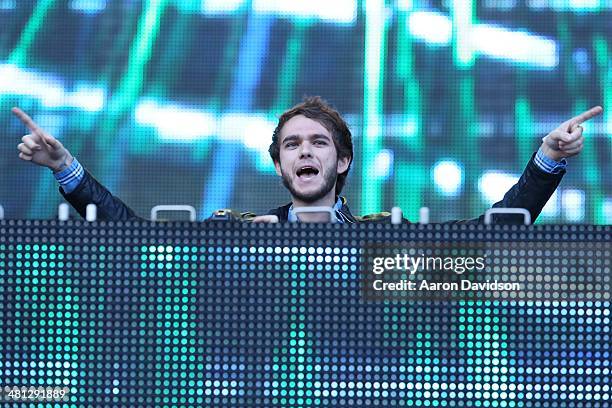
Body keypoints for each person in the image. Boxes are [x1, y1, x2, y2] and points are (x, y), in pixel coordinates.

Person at [13, 97, 603, 223]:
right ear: (278, 166)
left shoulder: (384, 241)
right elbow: (135, 238)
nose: (305, 152)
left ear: (342, 162)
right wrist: (67, 168)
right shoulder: (242, 236)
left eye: (319, 142)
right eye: (292, 144)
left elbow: (490, 236)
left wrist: (548, 156)